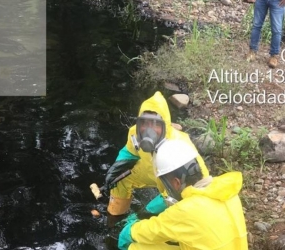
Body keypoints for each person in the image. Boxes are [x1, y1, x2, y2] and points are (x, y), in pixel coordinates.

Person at [118, 139, 248, 250]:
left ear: (176, 182)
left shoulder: (186, 210)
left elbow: (149, 231)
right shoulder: (226, 192)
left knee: (136, 247)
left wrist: (129, 230)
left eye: (166, 183)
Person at [104, 91, 209, 225]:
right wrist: (116, 168)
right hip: (148, 171)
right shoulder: (134, 133)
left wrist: (146, 212)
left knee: (170, 209)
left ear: (165, 125)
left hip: (173, 182)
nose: (149, 129)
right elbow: (129, 152)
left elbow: (201, 181)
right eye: (144, 123)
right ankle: (115, 218)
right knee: (120, 180)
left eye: (155, 124)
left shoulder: (180, 146)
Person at [246, 0, 285, 68]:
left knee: (277, 30)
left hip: (277, 2)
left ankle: (274, 56)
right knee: (256, 25)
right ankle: (252, 51)